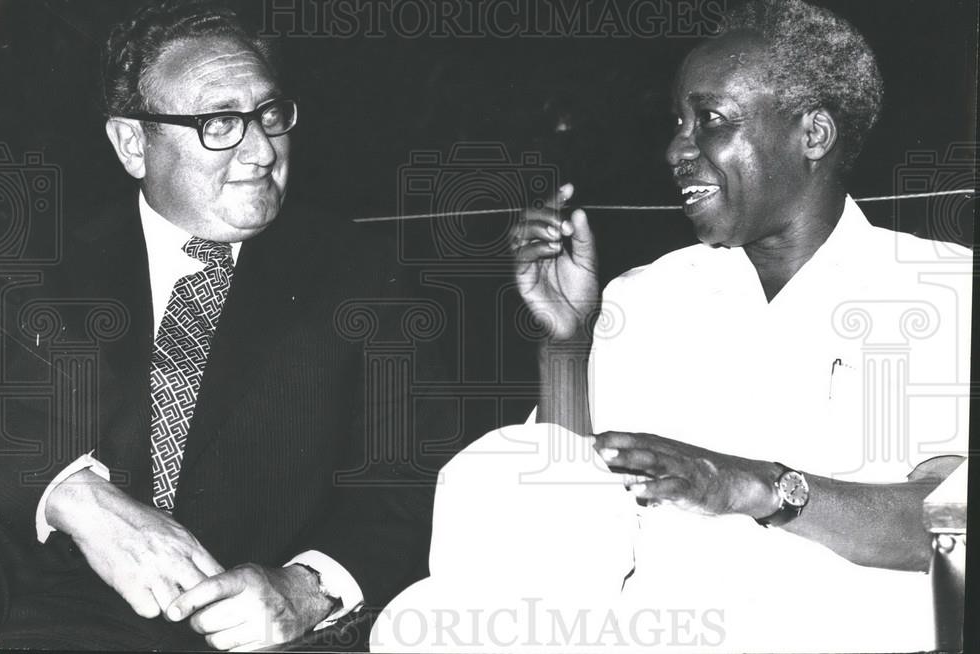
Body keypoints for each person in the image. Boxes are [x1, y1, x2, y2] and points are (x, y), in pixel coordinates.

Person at [372, 0, 971, 651]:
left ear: (813, 135)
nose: (676, 148)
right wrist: (567, 344)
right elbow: (568, 511)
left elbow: (946, 524)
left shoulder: (940, 288)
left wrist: (749, 486)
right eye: (678, 121)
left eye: (709, 120)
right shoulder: (648, 295)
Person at [0, 1, 451, 650]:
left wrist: (308, 588)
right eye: (220, 122)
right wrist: (71, 495)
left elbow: (409, 482)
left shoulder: (363, 276)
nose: (261, 150)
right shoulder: (39, 264)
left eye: (269, 115)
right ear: (131, 143)